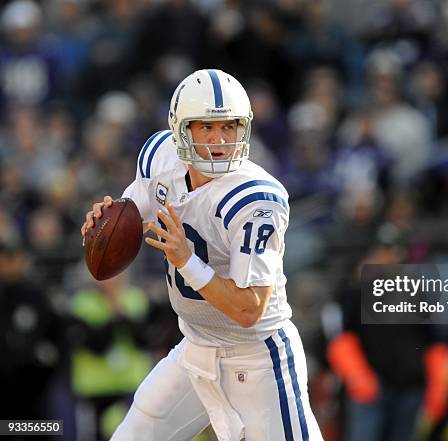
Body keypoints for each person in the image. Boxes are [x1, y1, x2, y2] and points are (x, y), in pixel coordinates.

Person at [81, 69, 323, 441]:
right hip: (196, 347)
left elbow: (249, 309)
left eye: (229, 127)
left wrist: (186, 262)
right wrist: (103, 223)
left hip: (257, 358)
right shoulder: (160, 159)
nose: (219, 140)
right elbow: (132, 213)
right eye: (205, 127)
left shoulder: (255, 198)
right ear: (180, 129)